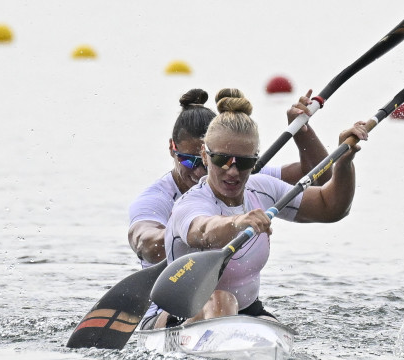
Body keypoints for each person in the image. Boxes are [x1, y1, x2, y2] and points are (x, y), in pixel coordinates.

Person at [153, 89, 367, 329]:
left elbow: (332, 208)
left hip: (247, 310)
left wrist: (345, 164)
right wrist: (238, 222)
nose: (233, 171)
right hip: (180, 315)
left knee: (277, 330)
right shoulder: (191, 203)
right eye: (222, 160)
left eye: (244, 163)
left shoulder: (262, 189)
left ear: (255, 159)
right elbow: (202, 231)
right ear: (205, 155)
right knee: (221, 299)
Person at [128, 88, 329, 266]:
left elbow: (320, 177)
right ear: (172, 149)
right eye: (189, 161)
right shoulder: (156, 199)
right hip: (172, 293)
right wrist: (184, 231)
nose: (199, 172)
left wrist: (302, 132)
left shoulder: (238, 177)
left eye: (218, 160)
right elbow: (147, 245)